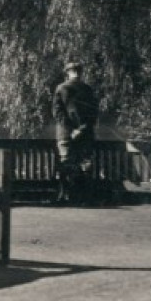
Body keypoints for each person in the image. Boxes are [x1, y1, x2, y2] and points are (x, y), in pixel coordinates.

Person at [52, 61, 100, 201]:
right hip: (85, 134)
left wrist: (72, 130)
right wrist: (81, 128)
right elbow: (93, 113)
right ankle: (83, 196)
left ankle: (64, 196)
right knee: (85, 164)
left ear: (67, 72)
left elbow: (58, 113)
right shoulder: (88, 90)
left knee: (66, 163)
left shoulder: (60, 88)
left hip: (65, 133)